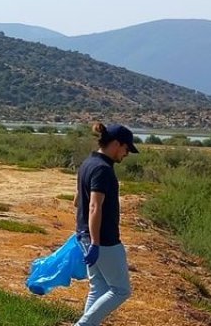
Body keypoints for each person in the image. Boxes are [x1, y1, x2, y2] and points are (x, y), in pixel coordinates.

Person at [73, 123, 138, 326]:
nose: (127, 154)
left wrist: (86, 235)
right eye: (126, 148)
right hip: (103, 240)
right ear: (116, 144)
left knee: (99, 287)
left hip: (85, 235)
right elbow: (94, 206)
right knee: (121, 290)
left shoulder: (88, 163)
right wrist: (95, 242)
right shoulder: (103, 169)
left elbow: (77, 201)